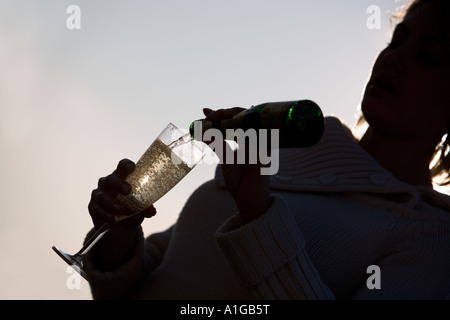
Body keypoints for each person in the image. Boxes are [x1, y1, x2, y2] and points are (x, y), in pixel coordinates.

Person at [84, 0, 450, 299]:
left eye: (429, 57)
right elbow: (162, 273)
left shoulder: (431, 236)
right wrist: (119, 240)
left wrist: (258, 216)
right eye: (396, 41)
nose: (394, 59)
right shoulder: (281, 153)